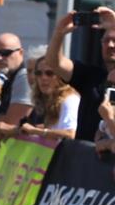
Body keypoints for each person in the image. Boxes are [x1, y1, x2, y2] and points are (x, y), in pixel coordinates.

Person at [44, 7, 115, 142]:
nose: (110, 45)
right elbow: (54, 63)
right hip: (84, 156)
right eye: (106, 41)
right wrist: (59, 33)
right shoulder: (92, 75)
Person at [0, 54, 79, 142]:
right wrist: (17, 131)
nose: (43, 78)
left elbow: (71, 134)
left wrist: (36, 131)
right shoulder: (47, 100)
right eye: (38, 73)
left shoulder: (69, 100)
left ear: (61, 76)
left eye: (49, 73)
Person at [0, 32, 33, 124]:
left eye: (6, 53)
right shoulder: (8, 80)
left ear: (21, 53)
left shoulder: (24, 78)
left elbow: (12, 121)